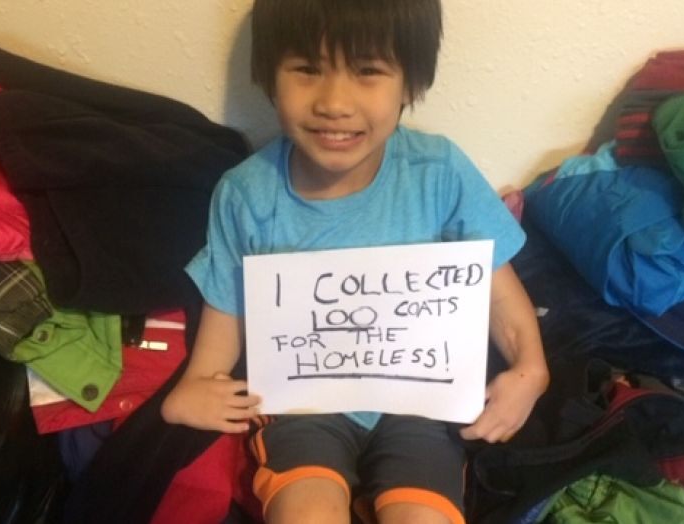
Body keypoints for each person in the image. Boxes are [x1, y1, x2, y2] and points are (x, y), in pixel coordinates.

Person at [161, 0, 550, 522]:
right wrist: (199, 379)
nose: (334, 102)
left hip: (421, 403)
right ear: (270, 77)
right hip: (304, 405)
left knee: (424, 517)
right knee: (305, 513)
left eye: (368, 71)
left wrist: (531, 369)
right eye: (307, 70)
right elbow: (229, 297)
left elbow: (495, 287)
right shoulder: (248, 193)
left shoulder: (438, 172)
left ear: (409, 83)